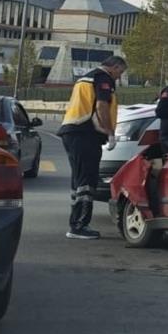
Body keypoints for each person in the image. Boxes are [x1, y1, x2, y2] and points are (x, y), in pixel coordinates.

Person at [59, 55, 127, 240]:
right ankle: (79, 225)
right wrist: (110, 132)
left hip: (73, 131)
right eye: (120, 72)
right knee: (87, 181)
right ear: (113, 67)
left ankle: (76, 223)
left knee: (79, 181)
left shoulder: (86, 78)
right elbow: (101, 106)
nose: (118, 77)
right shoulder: (103, 78)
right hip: (85, 133)